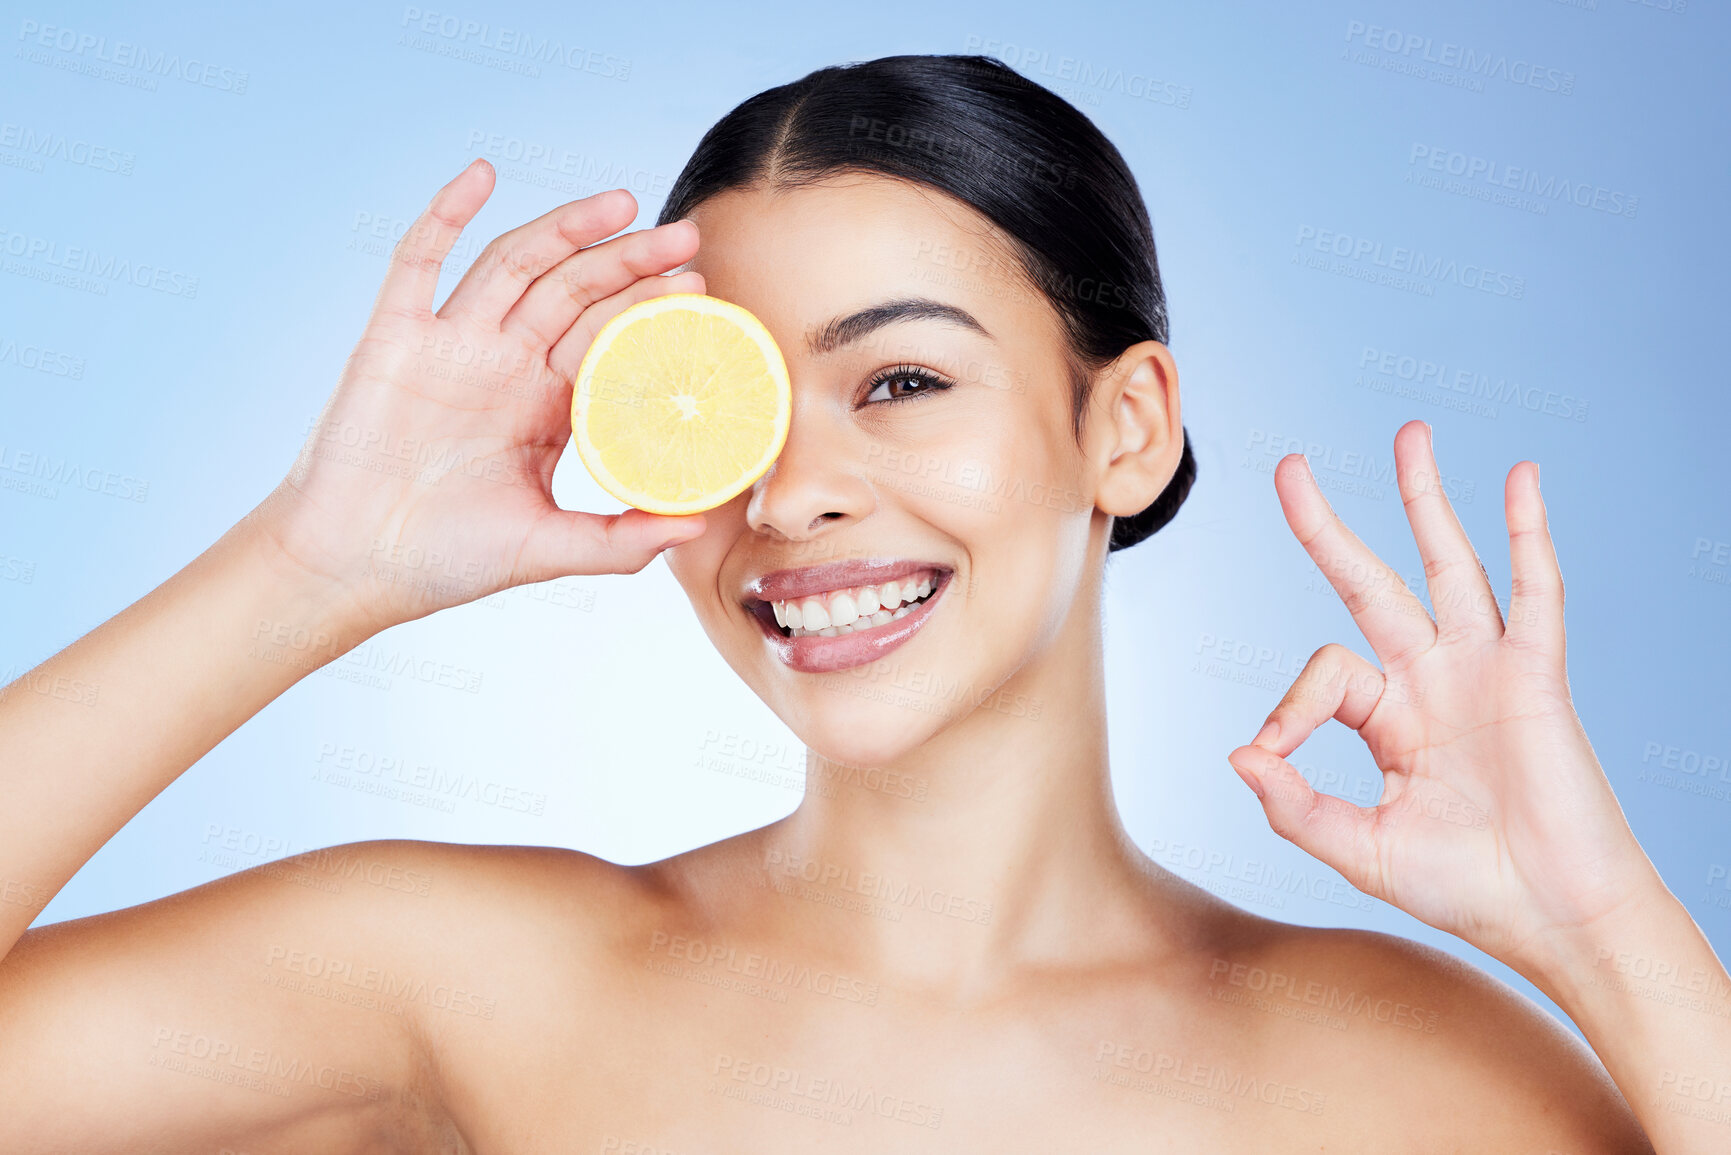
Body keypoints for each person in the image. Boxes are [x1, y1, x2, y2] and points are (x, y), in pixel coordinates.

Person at [0, 53, 1721, 1153]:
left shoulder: (1413, 1081)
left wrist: (1605, 932)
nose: (791, 491)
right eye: (731, 400)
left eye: (899, 381)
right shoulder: (472, 983)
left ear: (1123, 428)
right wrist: (311, 567)